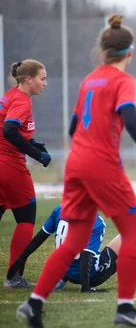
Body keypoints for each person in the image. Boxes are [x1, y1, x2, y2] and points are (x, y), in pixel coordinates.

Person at [17, 14, 136, 328]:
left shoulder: (90, 79)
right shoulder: (124, 81)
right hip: (102, 165)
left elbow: (74, 126)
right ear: (130, 52)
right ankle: (126, 310)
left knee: (74, 241)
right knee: (132, 234)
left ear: (103, 51)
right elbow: (130, 118)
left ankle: (34, 304)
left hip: (76, 164)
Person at [7, 205, 136, 292]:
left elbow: (39, 238)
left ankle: (61, 279)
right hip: (89, 275)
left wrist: (21, 259)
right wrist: (87, 286)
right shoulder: (94, 221)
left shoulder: (59, 209)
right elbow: (86, 255)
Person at [1, 59, 51, 290]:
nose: (45, 83)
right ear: (28, 79)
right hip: (9, 166)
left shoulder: (10, 94)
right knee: (26, 217)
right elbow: (9, 130)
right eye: (42, 78)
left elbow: (13, 129)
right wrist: (36, 155)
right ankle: (14, 276)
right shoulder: (22, 101)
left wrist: (35, 144)